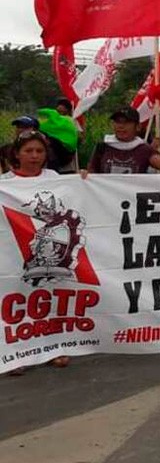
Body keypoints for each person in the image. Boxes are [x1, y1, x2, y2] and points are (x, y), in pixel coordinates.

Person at [2, 131, 69, 373]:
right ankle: (14, 354)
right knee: (15, 299)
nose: (34, 156)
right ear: (17, 153)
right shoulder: (5, 182)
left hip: (48, 250)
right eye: (28, 151)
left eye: (39, 151)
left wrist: (84, 180)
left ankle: (52, 348)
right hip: (13, 251)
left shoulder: (54, 178)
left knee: (48, 298)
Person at [87, 107, 160, 174]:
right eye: (117, 122)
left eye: (126, 122)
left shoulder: (144, 149)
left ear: (138, 127)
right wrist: (83, 175)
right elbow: (91, 172)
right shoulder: (103, 147)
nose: (121, 126)